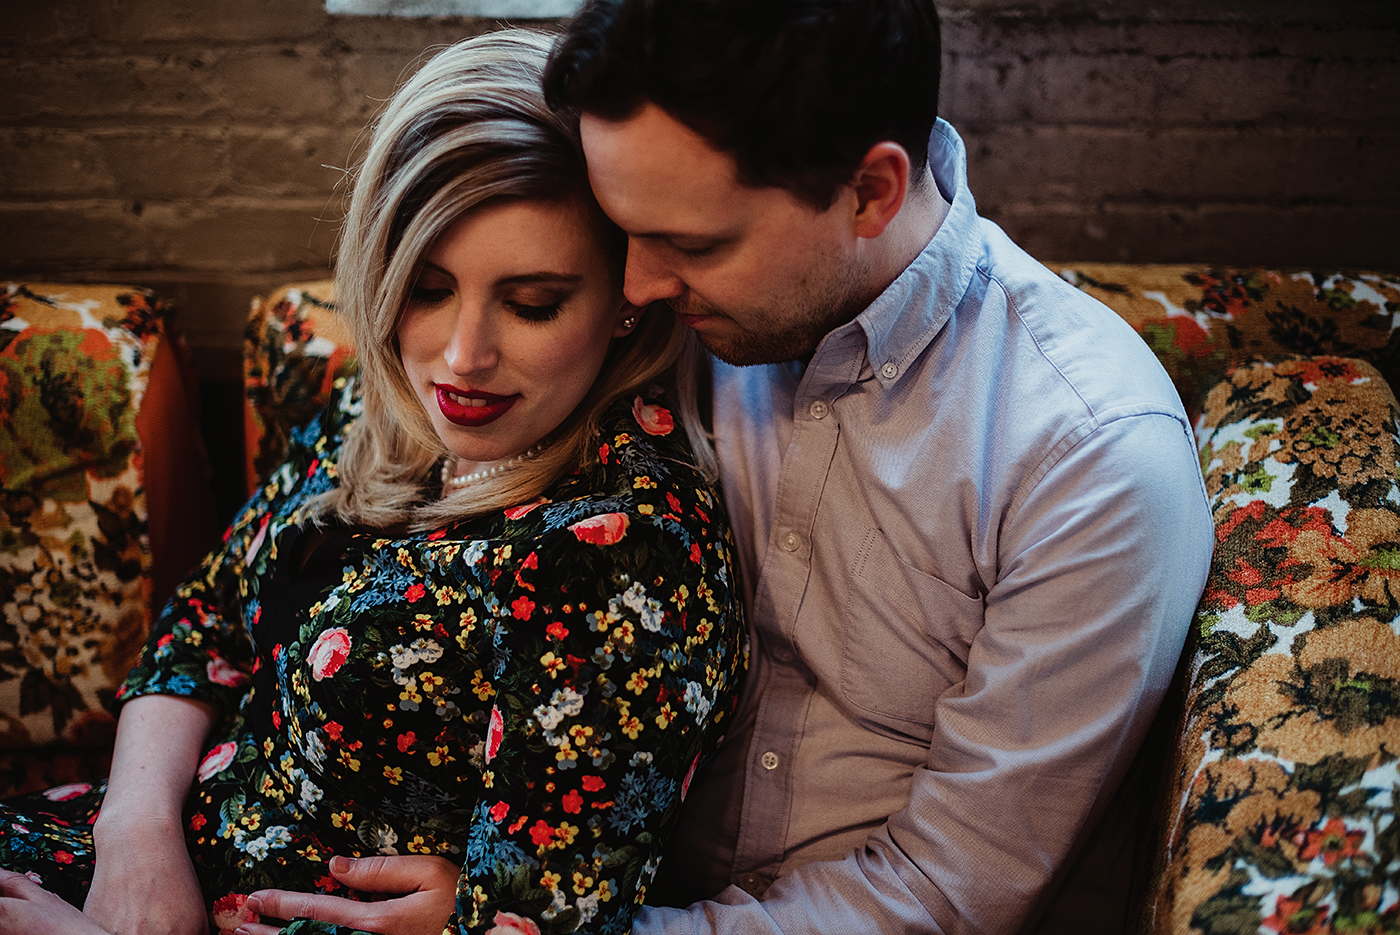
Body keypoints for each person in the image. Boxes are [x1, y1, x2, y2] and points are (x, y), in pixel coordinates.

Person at [0, 28, 746, 935]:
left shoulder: (625, 553)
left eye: (534, 303)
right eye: (427, 287)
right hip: (128, 847)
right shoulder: (396, 401)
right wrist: (135, 838)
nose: (463, 356)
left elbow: (538, 923)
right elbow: (203, 623)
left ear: (628, 292)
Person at [541, 1, 1217, 932]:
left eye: (694, 245)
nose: (639, 287)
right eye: (627, 230)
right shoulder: (675, 323)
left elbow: (945, 896)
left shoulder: (1088, 456)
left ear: (870, 191)